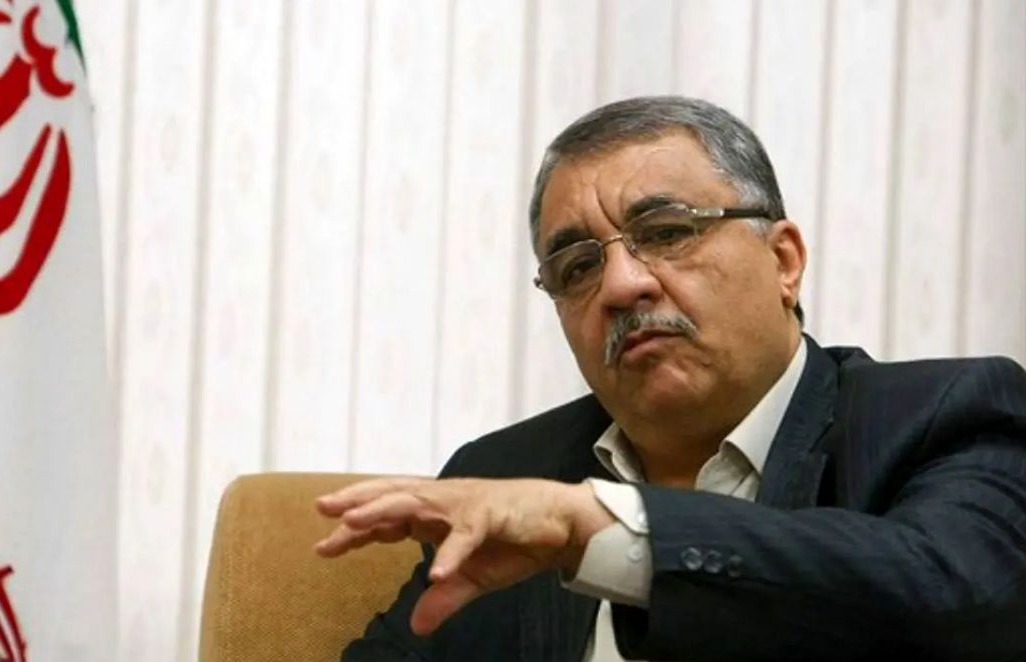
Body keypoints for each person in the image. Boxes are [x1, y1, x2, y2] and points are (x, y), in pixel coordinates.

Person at [313, 96, 1026, 661]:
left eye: (666, 232)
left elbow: (958, 603)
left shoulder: (943, 417)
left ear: (783, 261)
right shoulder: (508, 471)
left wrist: (599, 532)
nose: (621, 285)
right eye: (578, 266)